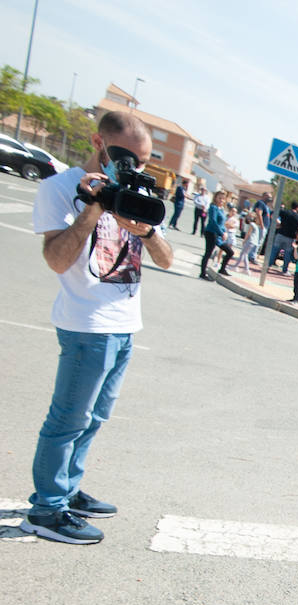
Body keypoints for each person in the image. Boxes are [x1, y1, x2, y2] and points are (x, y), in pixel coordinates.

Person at [21, 110, 174, 545]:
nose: (134, 169)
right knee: (68, 419)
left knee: (96, 416)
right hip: (86, 323)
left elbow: (165, 259)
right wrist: (93, 209)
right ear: (99, 143)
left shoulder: (137, 193)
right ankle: (46, 509)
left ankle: (67, 490)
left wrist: (144, 231)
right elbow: (55, 259)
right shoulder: (59, 187)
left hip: (126, 323)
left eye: (142, 161)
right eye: (126, 157)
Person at [199, 189, 230, 280]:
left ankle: (222, 269)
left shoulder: (221, 209)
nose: (221, 200)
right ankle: (202, 274)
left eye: (223, 199)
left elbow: (222, 223)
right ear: (215, 198)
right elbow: (213, 221)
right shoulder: (213, 207)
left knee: (229, 252)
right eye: (219, 198)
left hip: (219, 235)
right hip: (211, 233)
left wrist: (224, 232)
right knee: (208, 253)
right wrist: (221, 233)